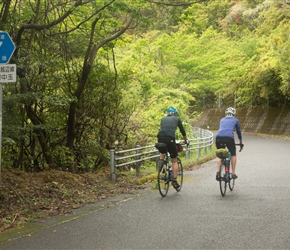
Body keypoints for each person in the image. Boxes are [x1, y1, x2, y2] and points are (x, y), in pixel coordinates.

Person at [157, 106, 188, 189]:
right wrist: (185, 140)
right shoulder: (176, 119)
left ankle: (162, 167)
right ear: (174, 114)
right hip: (170, 139)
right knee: (174, 160)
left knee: (162, 152)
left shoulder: (163, 119)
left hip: (160, 138)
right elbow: (182, 131)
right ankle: (174, 180)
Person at [215, 107, 243, 181]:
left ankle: (218, 173)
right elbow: (238, 132)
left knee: (221, 155)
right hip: (229, 138)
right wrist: (240, 141)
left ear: (226, 114)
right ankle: (233, 173)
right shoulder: (235, 120)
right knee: (233, 154)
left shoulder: (222, 119)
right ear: (234, 114)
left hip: (218, 138)